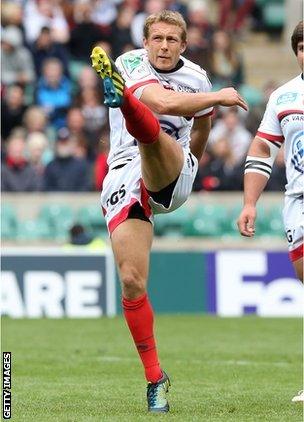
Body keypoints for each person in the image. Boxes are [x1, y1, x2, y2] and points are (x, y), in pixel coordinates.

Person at [90, 10, 247, 413]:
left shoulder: (197, 77)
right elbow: (163, 100)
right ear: (145, 42)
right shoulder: (129, 62)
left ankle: (122, 99)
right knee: (131, 281)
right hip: (125, 174)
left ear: (184, 44)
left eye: (171, 40)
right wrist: (218, 97)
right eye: (156, 38)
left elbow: (201, 127)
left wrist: (191, 165)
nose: (163, 46)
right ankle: (155, 378)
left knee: (155, 137)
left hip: (171, 169)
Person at [237, 20, 303, 403]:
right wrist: (249, 202)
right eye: (302, 47)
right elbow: (262, 149)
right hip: (298, 200)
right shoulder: (283, 97)